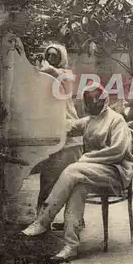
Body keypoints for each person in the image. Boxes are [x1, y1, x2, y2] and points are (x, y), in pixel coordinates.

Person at [22, 84, 133, 261]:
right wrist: (47, 124)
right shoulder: (91, 119)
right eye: (89, 104)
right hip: (94, 171)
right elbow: (71, 126)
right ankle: (71, 246)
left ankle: (43, 221)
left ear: (104, 101)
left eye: (95, 104)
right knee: (78, 188)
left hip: (116, 171)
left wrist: (86, 160)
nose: (92, 107)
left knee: (73, 170)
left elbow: (118, 152)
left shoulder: (116, 120)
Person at [35, 44, 83, 212]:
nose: (50, 59)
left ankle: (75, 220)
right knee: (47, 180)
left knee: (71, 182)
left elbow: (52, 72)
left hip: (70, 137)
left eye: (54, 56)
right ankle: (42, 219)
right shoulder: (44, 76)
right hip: (54, 132)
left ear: (62, 58)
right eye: (48, 56)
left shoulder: (66, 74)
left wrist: (40, 64)